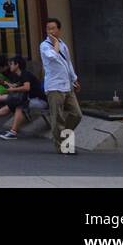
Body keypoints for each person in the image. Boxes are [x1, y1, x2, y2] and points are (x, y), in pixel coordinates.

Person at [40, 17, 82, 154]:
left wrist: (74, 79)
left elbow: (68, 63)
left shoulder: (63, 45)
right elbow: (52, 56)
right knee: (57, 116)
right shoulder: (45, 45)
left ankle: (63, 135)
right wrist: (56, 43)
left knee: (76, 114)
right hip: (54, 86)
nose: (50, 31)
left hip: (67, 85)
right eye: (48, 28)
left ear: (59, 30)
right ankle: (63, 146)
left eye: (53, 28)